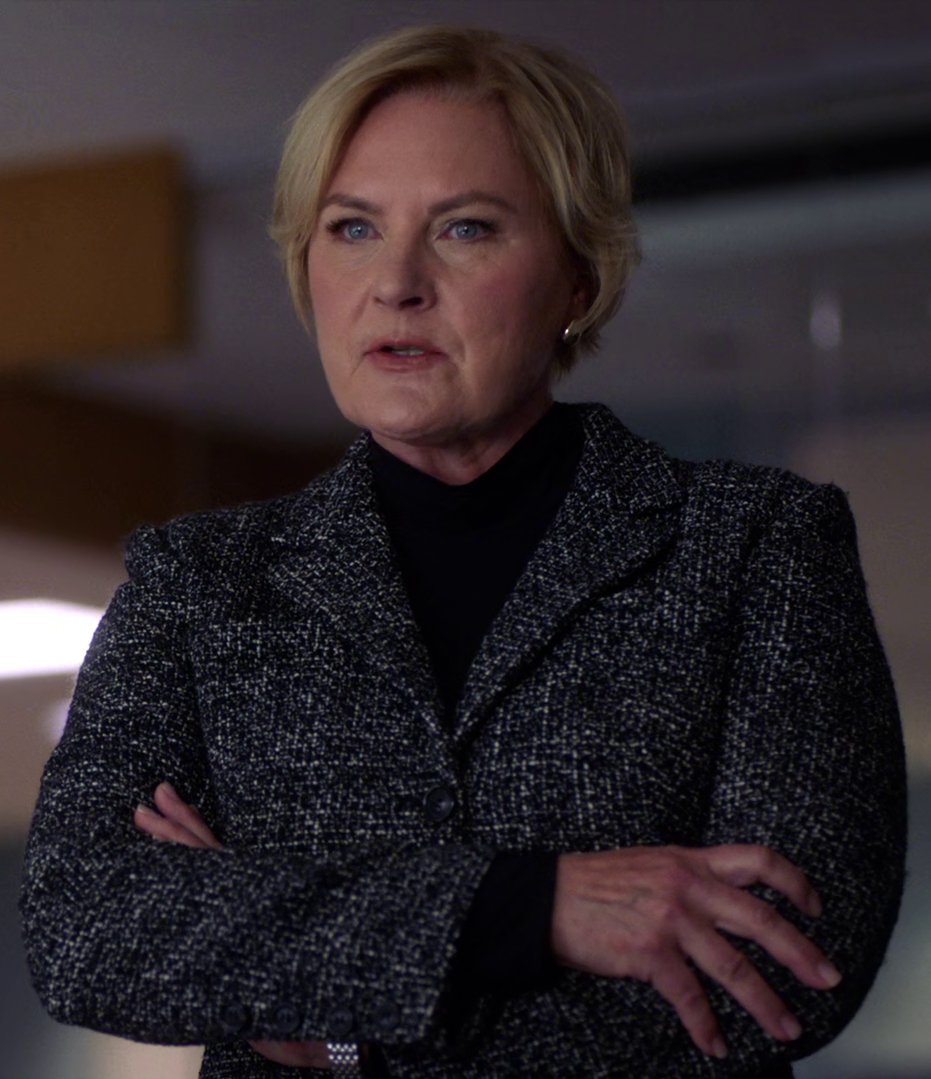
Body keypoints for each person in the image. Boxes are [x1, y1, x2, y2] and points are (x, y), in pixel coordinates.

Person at [20, 23, 906, 1079]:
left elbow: (786, 967)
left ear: (578, 277)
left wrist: (322, 1011)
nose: (396, 281)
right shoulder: (199, 582)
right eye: (352, 227)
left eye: (465, 228)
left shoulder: (755, 545)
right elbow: (85, 930)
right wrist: (535, 908)